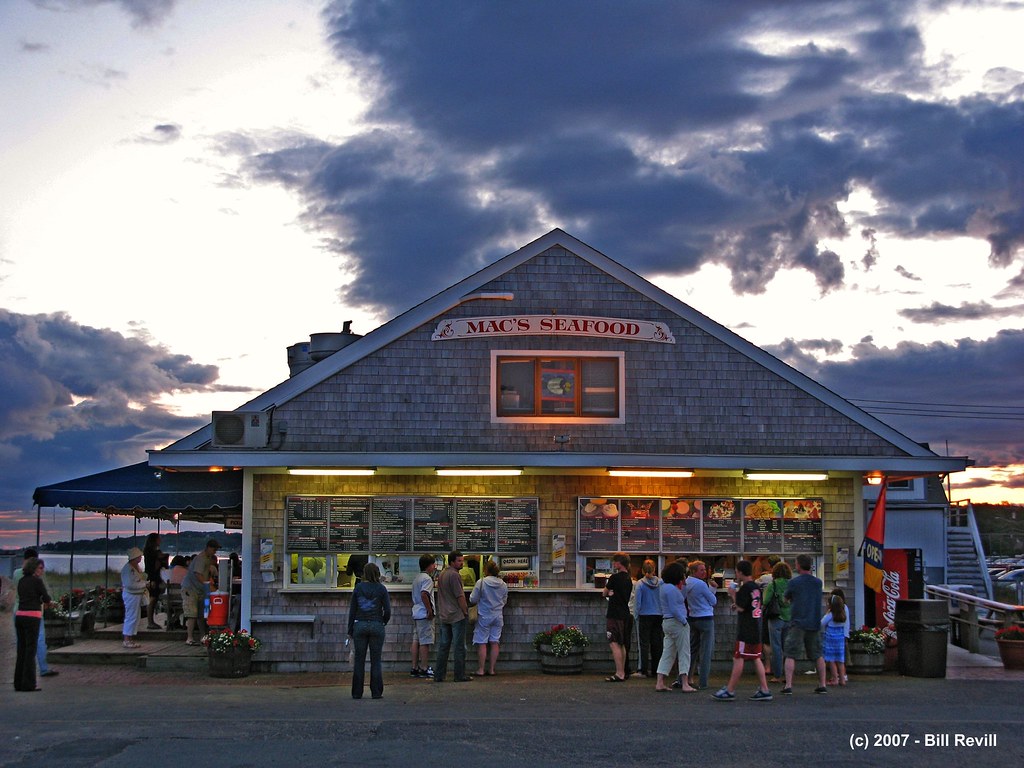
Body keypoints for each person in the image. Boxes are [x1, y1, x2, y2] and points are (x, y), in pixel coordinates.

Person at [712, 559, 772, 701]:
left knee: (738, 657)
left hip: (746, 629)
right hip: (756, 626)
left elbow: (740, 607)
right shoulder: (756, 587)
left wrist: (733, 594)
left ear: (739, 572)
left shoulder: (745, 588)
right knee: (756, 657)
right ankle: (764, 688)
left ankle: (730, 690)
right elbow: (752, 606)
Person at [782, 553, 828, 694]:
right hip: (814, 621)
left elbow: (785, 599)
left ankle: (788, 685)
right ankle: (822, 684)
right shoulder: (818, 582)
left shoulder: (794, 583)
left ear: (798, 565)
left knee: (790, 653)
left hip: (798, 621)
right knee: (817, 654)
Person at [347, 562, 391, 699]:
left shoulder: (358, 588)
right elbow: (388, 610)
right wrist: (383, 621)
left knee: (359, 660)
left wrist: (350, 629)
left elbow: (352, 610)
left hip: (360, 625)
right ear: (378, 574)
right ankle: (376, 692)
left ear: (364, 574)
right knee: (375, 660)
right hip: (377, 624)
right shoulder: (382, 589)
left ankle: (357, 692)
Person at [15, 548, 57, 679]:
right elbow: (45, 596)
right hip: (33, 613)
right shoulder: (37, 579)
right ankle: (40, 670)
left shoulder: (17, 575)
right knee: (37, 642)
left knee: (21, 645)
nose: (42, 570)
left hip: (18, 611)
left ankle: (19, 677)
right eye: (40, 568)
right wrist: (49, 601)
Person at [654, 560, 695, 692]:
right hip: (677, 622)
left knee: (668, 652)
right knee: (684, 652)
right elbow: (675, 607)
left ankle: (660, 681)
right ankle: (685, 683)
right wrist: (683, 621)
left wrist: (684, 584)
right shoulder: (672, 589)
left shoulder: (664, 587)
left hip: (667, 622)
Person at [434, 550, 472, 682]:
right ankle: (459, 675)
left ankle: (439, 675)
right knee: (459, 647)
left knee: (444, 646)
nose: (462, 563)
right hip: (456, 615)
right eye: (459, 561)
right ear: (452, 562)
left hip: (444, 615)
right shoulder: (455, 576)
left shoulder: (442, 574)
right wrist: (465, 611)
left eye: (462, 560)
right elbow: (460, 596)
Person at [470, 559, 509, 676]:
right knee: (494, 642)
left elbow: (473, 599)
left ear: (486, 570)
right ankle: (492, 669)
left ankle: (481, 669)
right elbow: (504, 600)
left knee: (482, 642)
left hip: (484, 615)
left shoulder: (481, 582)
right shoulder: (503, 584)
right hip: (498, 615)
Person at [684, 559, 718, 690]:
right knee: (706, 652)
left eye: (705, 569)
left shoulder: (687, 583)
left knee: (692, 650)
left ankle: (685, 678)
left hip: (692, 617)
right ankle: (703, 682)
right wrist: (713, 588)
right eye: (701, 570)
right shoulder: (701, 584)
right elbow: (713, 601)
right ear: (694, 571)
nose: (704, 572)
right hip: (706, 618)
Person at [181, 539, 220, 646]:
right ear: (208, 547)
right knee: (192, 614)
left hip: (199, 590)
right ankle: (189, 638)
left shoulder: (208, 559)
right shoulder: (201, 558)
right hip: (190, 589)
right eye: (213, 549)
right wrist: (207, 585)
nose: (215, 551)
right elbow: (198, 574)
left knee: (201, 615)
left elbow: (205, 573)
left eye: (216, 550)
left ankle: (203, 636)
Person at [603, 552, 632, 682]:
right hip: (625, 613)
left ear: (619, 563)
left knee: (614, 643)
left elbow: (604, 593)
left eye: (615, 562)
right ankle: (623, 671)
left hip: (614, 613)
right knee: (622, 643)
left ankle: (619, 672)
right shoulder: (629, 578)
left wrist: (610, 592)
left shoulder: (614, 577)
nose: (614, 564)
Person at [762, 560, 792, 683]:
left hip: (776, 617)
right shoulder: (791, 585)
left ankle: (777, 675)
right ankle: (788, 675)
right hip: (789, 617)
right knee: (786, 647)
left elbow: (765, 601)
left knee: (776, 647)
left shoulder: (772, 585)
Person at [633, 559, 663, 678]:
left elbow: (637, 603)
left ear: (642, 570)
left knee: (644, 644)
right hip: (658, 615)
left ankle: (643, 669)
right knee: (657, 644)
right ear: (655, 569)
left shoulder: (640, 584)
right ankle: (656, 669)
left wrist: (636, 616)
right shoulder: (661, 583)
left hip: (644, 615)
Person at [409, 554, 436, 679]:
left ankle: (414, 667)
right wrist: (429, 610)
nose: (435, 567)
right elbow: (424, 594)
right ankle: (424, 667)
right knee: (425, 642)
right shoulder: (427, 579)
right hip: (424, 614)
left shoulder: (416, 578)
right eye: (433, 564)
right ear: (429, 565)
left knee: (416, 640)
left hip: (416, 612)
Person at [821, 588, 850, 686]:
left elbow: (822, 623)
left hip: (830, 638)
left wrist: (826, 614)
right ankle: (842, 679)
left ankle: (835, 678)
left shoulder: (830, 614)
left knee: (831, 659)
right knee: (840, 660)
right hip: (840, 638)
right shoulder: (843, 614)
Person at [121, 547, 148, 648]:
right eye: (139, 556)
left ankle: (130, 638)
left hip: (137, 595)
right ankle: (127, 639)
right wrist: (144, 584)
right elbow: (129, 584)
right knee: (131, 616)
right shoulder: (128, 569)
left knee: (135, 617)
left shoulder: (135, 567)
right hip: (131, 595)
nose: (141, 558)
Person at [143, 533, 163, 629]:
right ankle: (150, 622)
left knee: (153, 599)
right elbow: (151, 567)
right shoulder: (151, 552)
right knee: (152, 598)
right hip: (152, 577)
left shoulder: (150, 551)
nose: (160, 540)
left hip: (153, 576)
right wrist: (152, 579)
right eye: (159, 539)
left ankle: (151, 621)